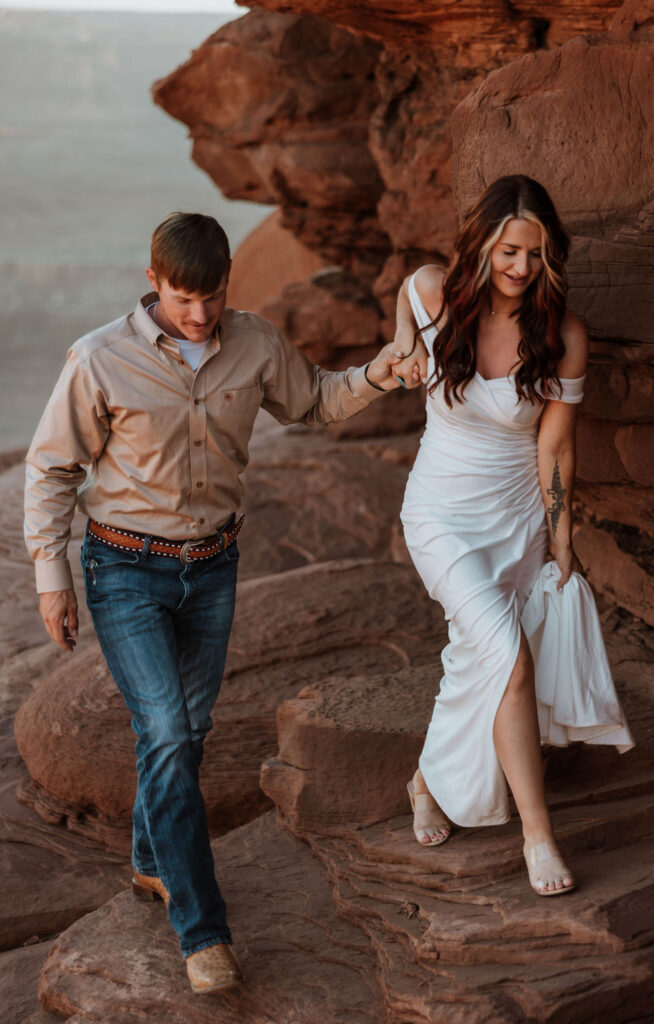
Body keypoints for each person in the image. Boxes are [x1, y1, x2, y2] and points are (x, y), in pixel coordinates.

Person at [23, 212, 419, 993]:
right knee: (166, 728)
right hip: (125, 568)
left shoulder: (256, 342)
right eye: (181, 298)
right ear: (152, 282)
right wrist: (50, 576)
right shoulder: (100, 359)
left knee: (189, 731)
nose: (198, 315)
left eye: (211, 297)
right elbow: (49, 469)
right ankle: (202, 931)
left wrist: (382, 372)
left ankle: (148, 860)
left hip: (212, 568)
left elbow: (316, 403)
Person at [390, 175, 633, 896]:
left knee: (477, 659)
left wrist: (561, 541)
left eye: (534, 254)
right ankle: (537, 835)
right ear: (482, 244)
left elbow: (554, 448)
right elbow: (411, 284)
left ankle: (424, 781)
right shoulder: (437, 295)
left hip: (516, 518)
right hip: (437, 515)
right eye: (507, 250)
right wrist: (405, 340)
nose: (521, 268)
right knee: (507, 656)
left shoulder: (561, 336)